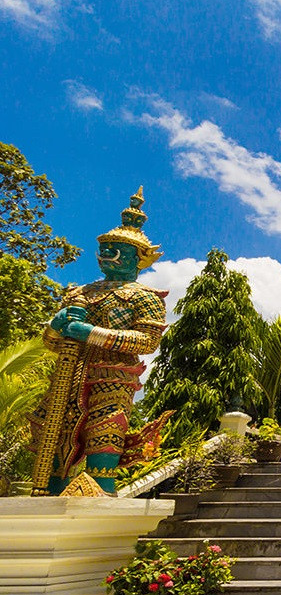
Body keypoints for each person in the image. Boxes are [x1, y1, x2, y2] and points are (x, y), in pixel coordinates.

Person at [29, 189, 169, 495]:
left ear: (137, 257)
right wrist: (57, 325)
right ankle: (52, 493)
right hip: (70, 375)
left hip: (113, 378)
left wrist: (90, 333)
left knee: (104, 435)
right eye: (105, 247)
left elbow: (147, 341)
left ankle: (100, 493)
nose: (108, 254)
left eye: (117, 249)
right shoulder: (80, 293)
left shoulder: (144, 297)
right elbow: (53, 342)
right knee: (55, 441)